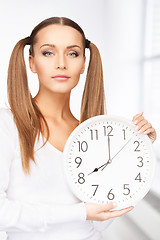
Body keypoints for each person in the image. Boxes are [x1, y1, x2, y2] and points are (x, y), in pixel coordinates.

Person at [0, 17, 156, 240]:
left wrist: (139, 153)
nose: (61, 63)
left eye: (72, 53)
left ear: (83, 63)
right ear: (32, 63)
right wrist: (79, 213)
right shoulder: (7, 124)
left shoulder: (92, 134)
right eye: (48, 52)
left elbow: (100, 222)